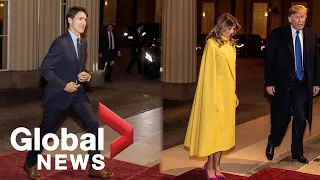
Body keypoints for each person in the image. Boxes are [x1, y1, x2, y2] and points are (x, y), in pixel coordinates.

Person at [23, 6, 114, 179]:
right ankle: (29, 163)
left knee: (93, 124)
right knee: (46, 132)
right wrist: (63, 85)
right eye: (80, 19)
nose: (83, 23)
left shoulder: (83, 43)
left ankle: (95, 167)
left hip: (77, 94)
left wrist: (86, 75)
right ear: (69, 20)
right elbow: (45, 68)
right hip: (58, 95)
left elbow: (76, 68)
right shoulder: (60, 42)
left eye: (85, 19)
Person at [184, 13, 240, 180]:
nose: (231, 32)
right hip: (213, 94)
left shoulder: (231, 45)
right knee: (212, 132)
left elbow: (233, 73)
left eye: (233, 29)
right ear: (221, 26)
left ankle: (217, 166)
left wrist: (234, 93)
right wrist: (211, 98)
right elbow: (208, 74)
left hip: (227, 94)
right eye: (228, 28)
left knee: (223, 133)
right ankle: (210, 166)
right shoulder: (211, 44)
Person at [264, 5, 320, 164]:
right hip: (283, 84)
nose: (300, 20)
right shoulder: (277, 35)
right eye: (297, 17)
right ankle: (272, 141)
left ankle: (297, 152)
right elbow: (270, 61)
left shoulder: (311, 34)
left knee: (301, 119)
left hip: (303, 85)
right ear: (289, 18)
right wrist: (269, 82)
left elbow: (315, 60)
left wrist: (316, 82)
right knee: (282, 120)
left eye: (303, 17)